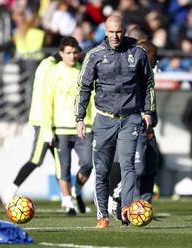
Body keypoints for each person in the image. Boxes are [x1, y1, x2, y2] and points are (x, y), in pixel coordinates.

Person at [75, 14, 155, 228]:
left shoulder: (138, 53)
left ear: (124, 30)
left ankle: (126, 209)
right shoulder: (94, 55)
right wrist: (80, 118)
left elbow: (148, 84)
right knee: (101, 170)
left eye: (118, 31)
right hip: (104, 120)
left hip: (130, 118)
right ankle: (102, 215)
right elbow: (83, 87)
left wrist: (148, 112)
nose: (115, 36)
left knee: (129, 165)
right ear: (105, 30)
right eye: (111, 32)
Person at [107, 40, 160, 220]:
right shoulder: (132, 76)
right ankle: (115, 195)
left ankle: (144, 209)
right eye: (154, 56)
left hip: (149, 130)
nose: (157, 60)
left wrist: (151, 125)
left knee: (150, 170)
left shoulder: (148, 75)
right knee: (137, 168)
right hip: (134, 129)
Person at [41, 36, 93, 216]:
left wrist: (92, 123)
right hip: (60, 129)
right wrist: (47, 130)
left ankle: (76, 191)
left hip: (83, 128)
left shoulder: (84, 71)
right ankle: (68, 203)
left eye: (75, 52)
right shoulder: (53, 73)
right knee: (63, 167)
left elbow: (91, 100)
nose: (72, 56)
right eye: (68, 53)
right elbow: (46, 102)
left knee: (87, 164)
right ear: (61, 53)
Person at [0, 52, 58, 209]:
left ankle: (69, 200)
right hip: (43, 121)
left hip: (53, 120)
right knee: (36, 159)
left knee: (61, 163)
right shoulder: (49, 66)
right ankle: (9, 191)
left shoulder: (46, 65)